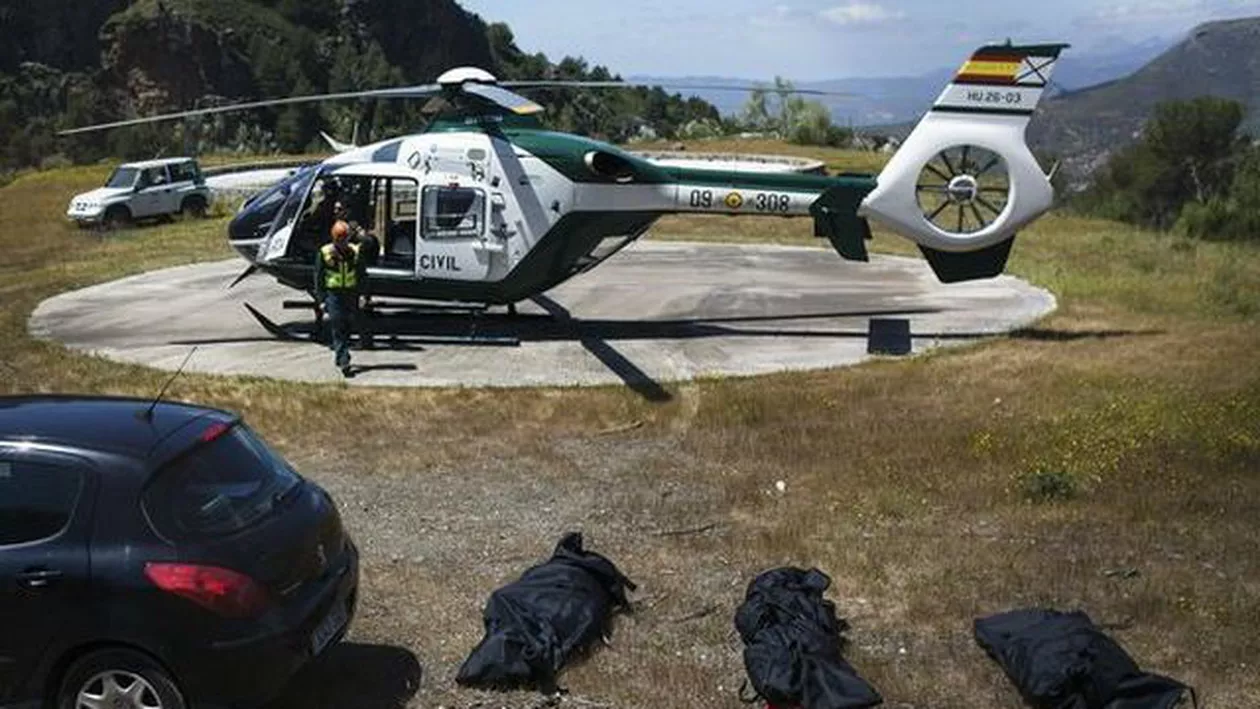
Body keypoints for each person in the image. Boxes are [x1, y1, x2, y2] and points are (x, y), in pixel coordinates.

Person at [314, 220, 369, 376]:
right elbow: (318, 277)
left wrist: (363, 295)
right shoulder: (325, 253)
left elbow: (362, 275)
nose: (342, 243)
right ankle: (345, 360)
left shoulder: (355, 252)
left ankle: (340, 356)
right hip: (334, 294)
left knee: (348, 325)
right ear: (334, 238)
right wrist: (321, 299)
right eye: (339, 239)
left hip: (351, 294)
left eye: (344, 239)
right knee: (338, 326)